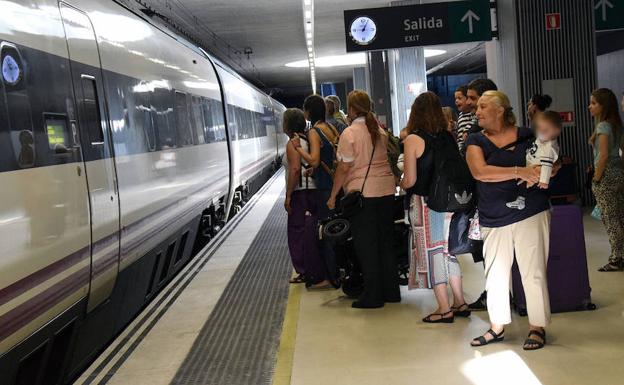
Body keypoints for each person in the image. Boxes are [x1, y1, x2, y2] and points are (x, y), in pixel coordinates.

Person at [466, 90, 551, 351]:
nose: (477, 111)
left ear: (500, 110)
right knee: (496, 274)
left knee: (533, 272)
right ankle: (497, 326)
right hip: (494, 215)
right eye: (477, 107)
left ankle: (537, 327)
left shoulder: (527, 134)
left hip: (531, 210)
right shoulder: (475, 140)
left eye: (482, 106)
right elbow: (480, 172)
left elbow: (549, 161)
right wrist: (519, 171)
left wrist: (544, 170)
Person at [400, 92, 470, 323]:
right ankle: (459, 302)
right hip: (450, 203)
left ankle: (443, 308)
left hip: (427, 204)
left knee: (433, 254)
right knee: (449, 252)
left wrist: (399, 181)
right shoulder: (447, 137)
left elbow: (410, 180)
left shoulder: (413, 139)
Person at [327, 90, 400, 308]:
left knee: (366, 246)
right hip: (386, 192)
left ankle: (373, 296)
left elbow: (344, 168)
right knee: (386, 243)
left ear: (350, 109)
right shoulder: (379, 130)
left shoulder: (350, 134)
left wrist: (333, 195)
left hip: (363, 195)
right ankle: (391, 292)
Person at [294, 95, 340, 288]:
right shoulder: (330, 127)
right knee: (335, 229)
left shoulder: (313, 131)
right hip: (335, 183)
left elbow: (313, 159)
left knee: (325, 233)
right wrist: (317, 167)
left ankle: (330, 277)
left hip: (323, 188)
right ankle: (337, 272)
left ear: (309, 111)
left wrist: (299, 150)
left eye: (305, 109)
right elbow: (328, 157)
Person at [462, 78, 498, 311]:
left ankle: (496, 294)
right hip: (485, 199)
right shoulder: (478, 131)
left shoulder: (480, 134)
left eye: (475, 100)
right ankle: (495, 292)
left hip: (491, 201)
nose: (469, 104)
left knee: (490, 251)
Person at [588, 88, 624, 272]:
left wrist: (596, 178)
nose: (590, 106)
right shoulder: (616, 125)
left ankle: (616, 258)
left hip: (606, 174)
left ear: (604, 106)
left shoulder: (603, 127)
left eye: (594, 103)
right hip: (619, 173)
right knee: (620, 216)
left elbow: (602, 156)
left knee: (610, 219)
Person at [282, 108, 317, 284]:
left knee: (297, 232)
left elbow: (295, 170)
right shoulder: (306, 140)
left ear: (287, 124)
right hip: (312, 191)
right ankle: (311, 268)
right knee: (310, 231)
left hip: (300, 193)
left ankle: (303, 270)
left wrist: (288, 196)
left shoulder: (292, 144)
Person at [506, 111, 561, 209]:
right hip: (531, 164)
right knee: (522, 182)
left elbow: (547, 166)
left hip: (535, 168)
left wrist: (544, 181)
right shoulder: (542, 139)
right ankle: (520, 199)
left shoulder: (548, 148)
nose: (541, 132)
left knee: (524, 183)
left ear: (556, 131)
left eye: (546, 130)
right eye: (539, 128)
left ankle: (521, 200)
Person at [455, 85, 473, 152]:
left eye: (459, 98)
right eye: (455, 98)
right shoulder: (461, 114)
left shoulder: (471, 113)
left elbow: (473, 122)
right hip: (460, 145)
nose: (456, 101)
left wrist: (467, 130)